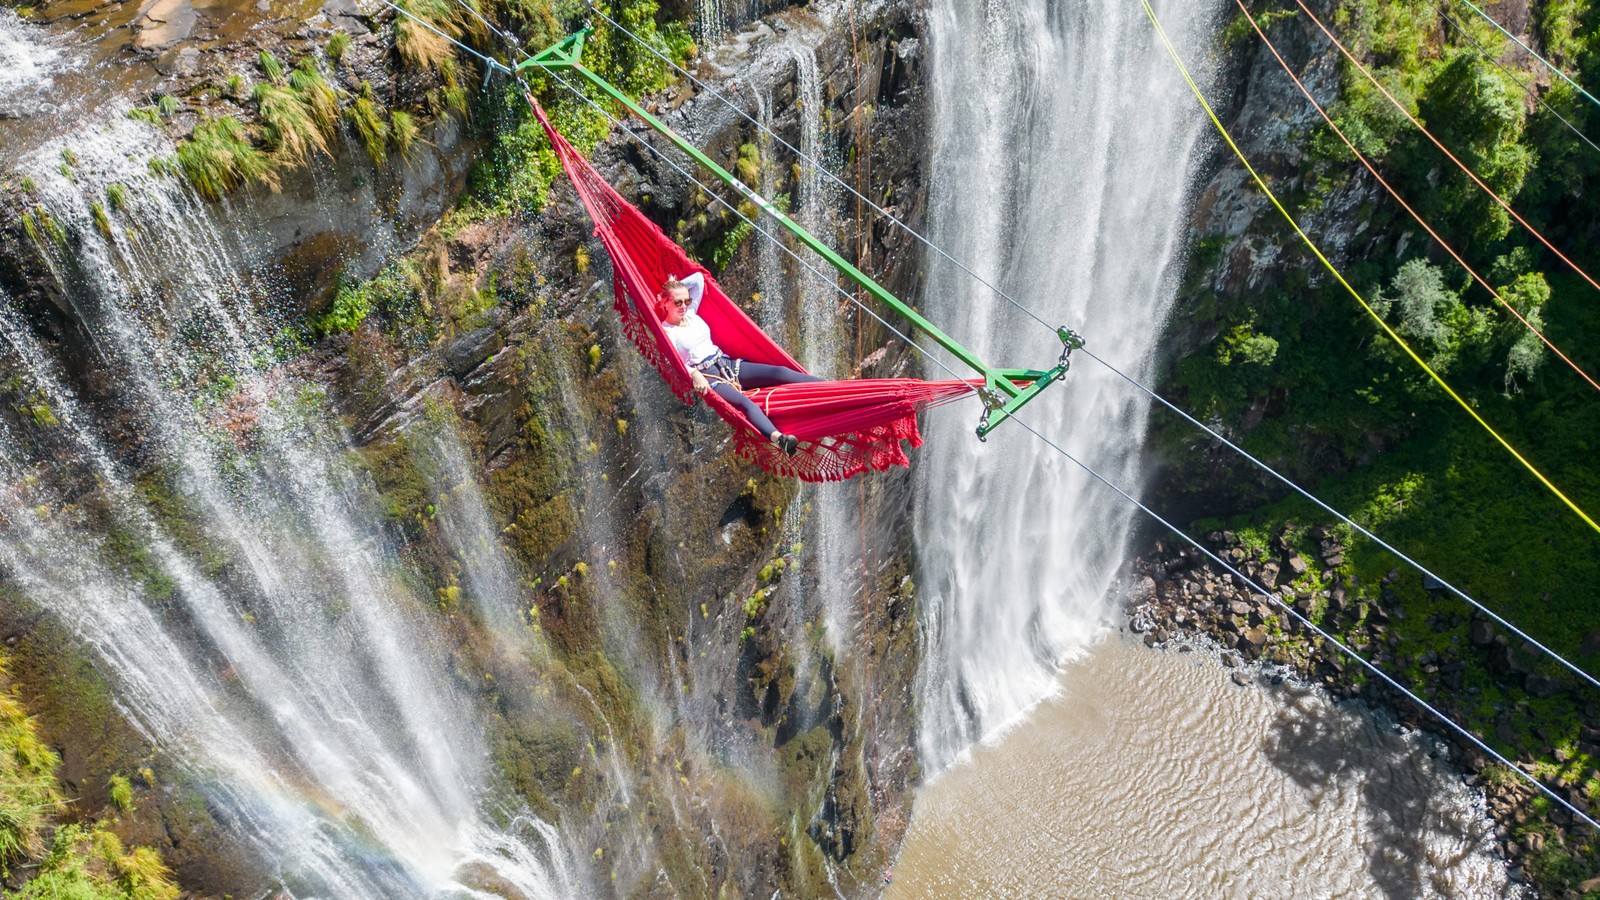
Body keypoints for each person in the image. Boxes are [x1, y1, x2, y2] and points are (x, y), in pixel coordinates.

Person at [658, 273, 821, 455]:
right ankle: (779, 439)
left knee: (780, 373)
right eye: (677, 302)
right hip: (710, 378)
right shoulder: (666, 331)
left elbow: (698, 279)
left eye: (686, 301)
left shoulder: (691, 313)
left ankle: (832, 387)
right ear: (665, 302)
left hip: (726, 363)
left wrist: (674, 285)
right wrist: (694, 374)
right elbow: (672, 360)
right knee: (746, 404)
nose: (683, 306)